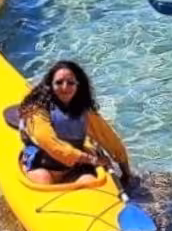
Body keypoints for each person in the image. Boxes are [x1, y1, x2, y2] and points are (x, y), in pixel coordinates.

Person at [16, 60, 133, 188]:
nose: (65, 87)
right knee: (43, 179)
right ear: (50, 84)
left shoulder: (84, 111)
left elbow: (109, 139)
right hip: (43, 166)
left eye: (70, 83)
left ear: (78, 86)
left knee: (89, 183)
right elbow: (49, 142)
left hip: (74, 168)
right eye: (59, 82)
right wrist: (92, 159)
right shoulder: (37, 111)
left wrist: (126, 173)